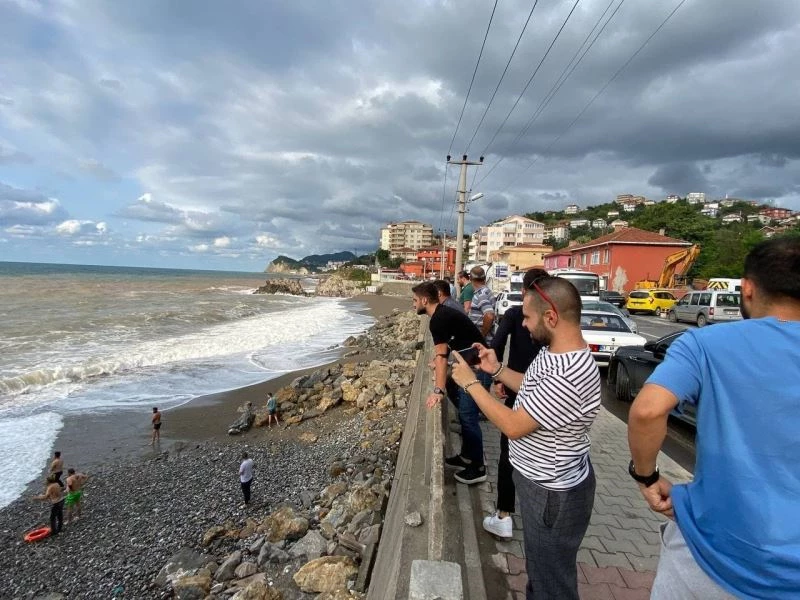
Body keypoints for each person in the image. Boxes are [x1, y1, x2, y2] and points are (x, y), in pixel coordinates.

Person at [627, 237, 800, 599]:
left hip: (711, 557)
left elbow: (647, 410)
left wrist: (647, 475)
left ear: (748, 289)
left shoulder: (706, 343)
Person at [451, 275, 600, 599]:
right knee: (541, 572)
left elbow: (515, 425)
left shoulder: (569, 373)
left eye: (528, 319)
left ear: (551, 317)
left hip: (551, 494)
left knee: (550, 585)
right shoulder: (555, 354)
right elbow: (534, 389)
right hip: (543, 483)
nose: (524, 326)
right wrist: (496, 370)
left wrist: (471, 383)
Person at [483, 268, 546, 539]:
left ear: (524, 291)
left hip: (518, 389)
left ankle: (504, 515)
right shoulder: (554, 320)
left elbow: (496, 345)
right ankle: (540, 514)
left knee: (509, 451)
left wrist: (497, 378)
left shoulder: (514, 314)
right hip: (547, 389)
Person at [412, 281, 490, 485]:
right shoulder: (443, 314)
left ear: (424, 300)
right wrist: (438, 363)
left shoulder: (437, 319)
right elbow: (444, 353)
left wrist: (438, 390)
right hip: (473, 365)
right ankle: (466, 456)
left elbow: (441, 357)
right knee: (464, 413)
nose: (413, 305)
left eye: (414, 300)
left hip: (478, 369)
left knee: (468, 417)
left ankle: (478, 467)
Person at [467, 266, 495, 344]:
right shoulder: (487, 291)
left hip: (483, 344)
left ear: (470, 278)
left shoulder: (481, 295)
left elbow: (489, 316)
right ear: (484, 278)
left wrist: (481, 337)